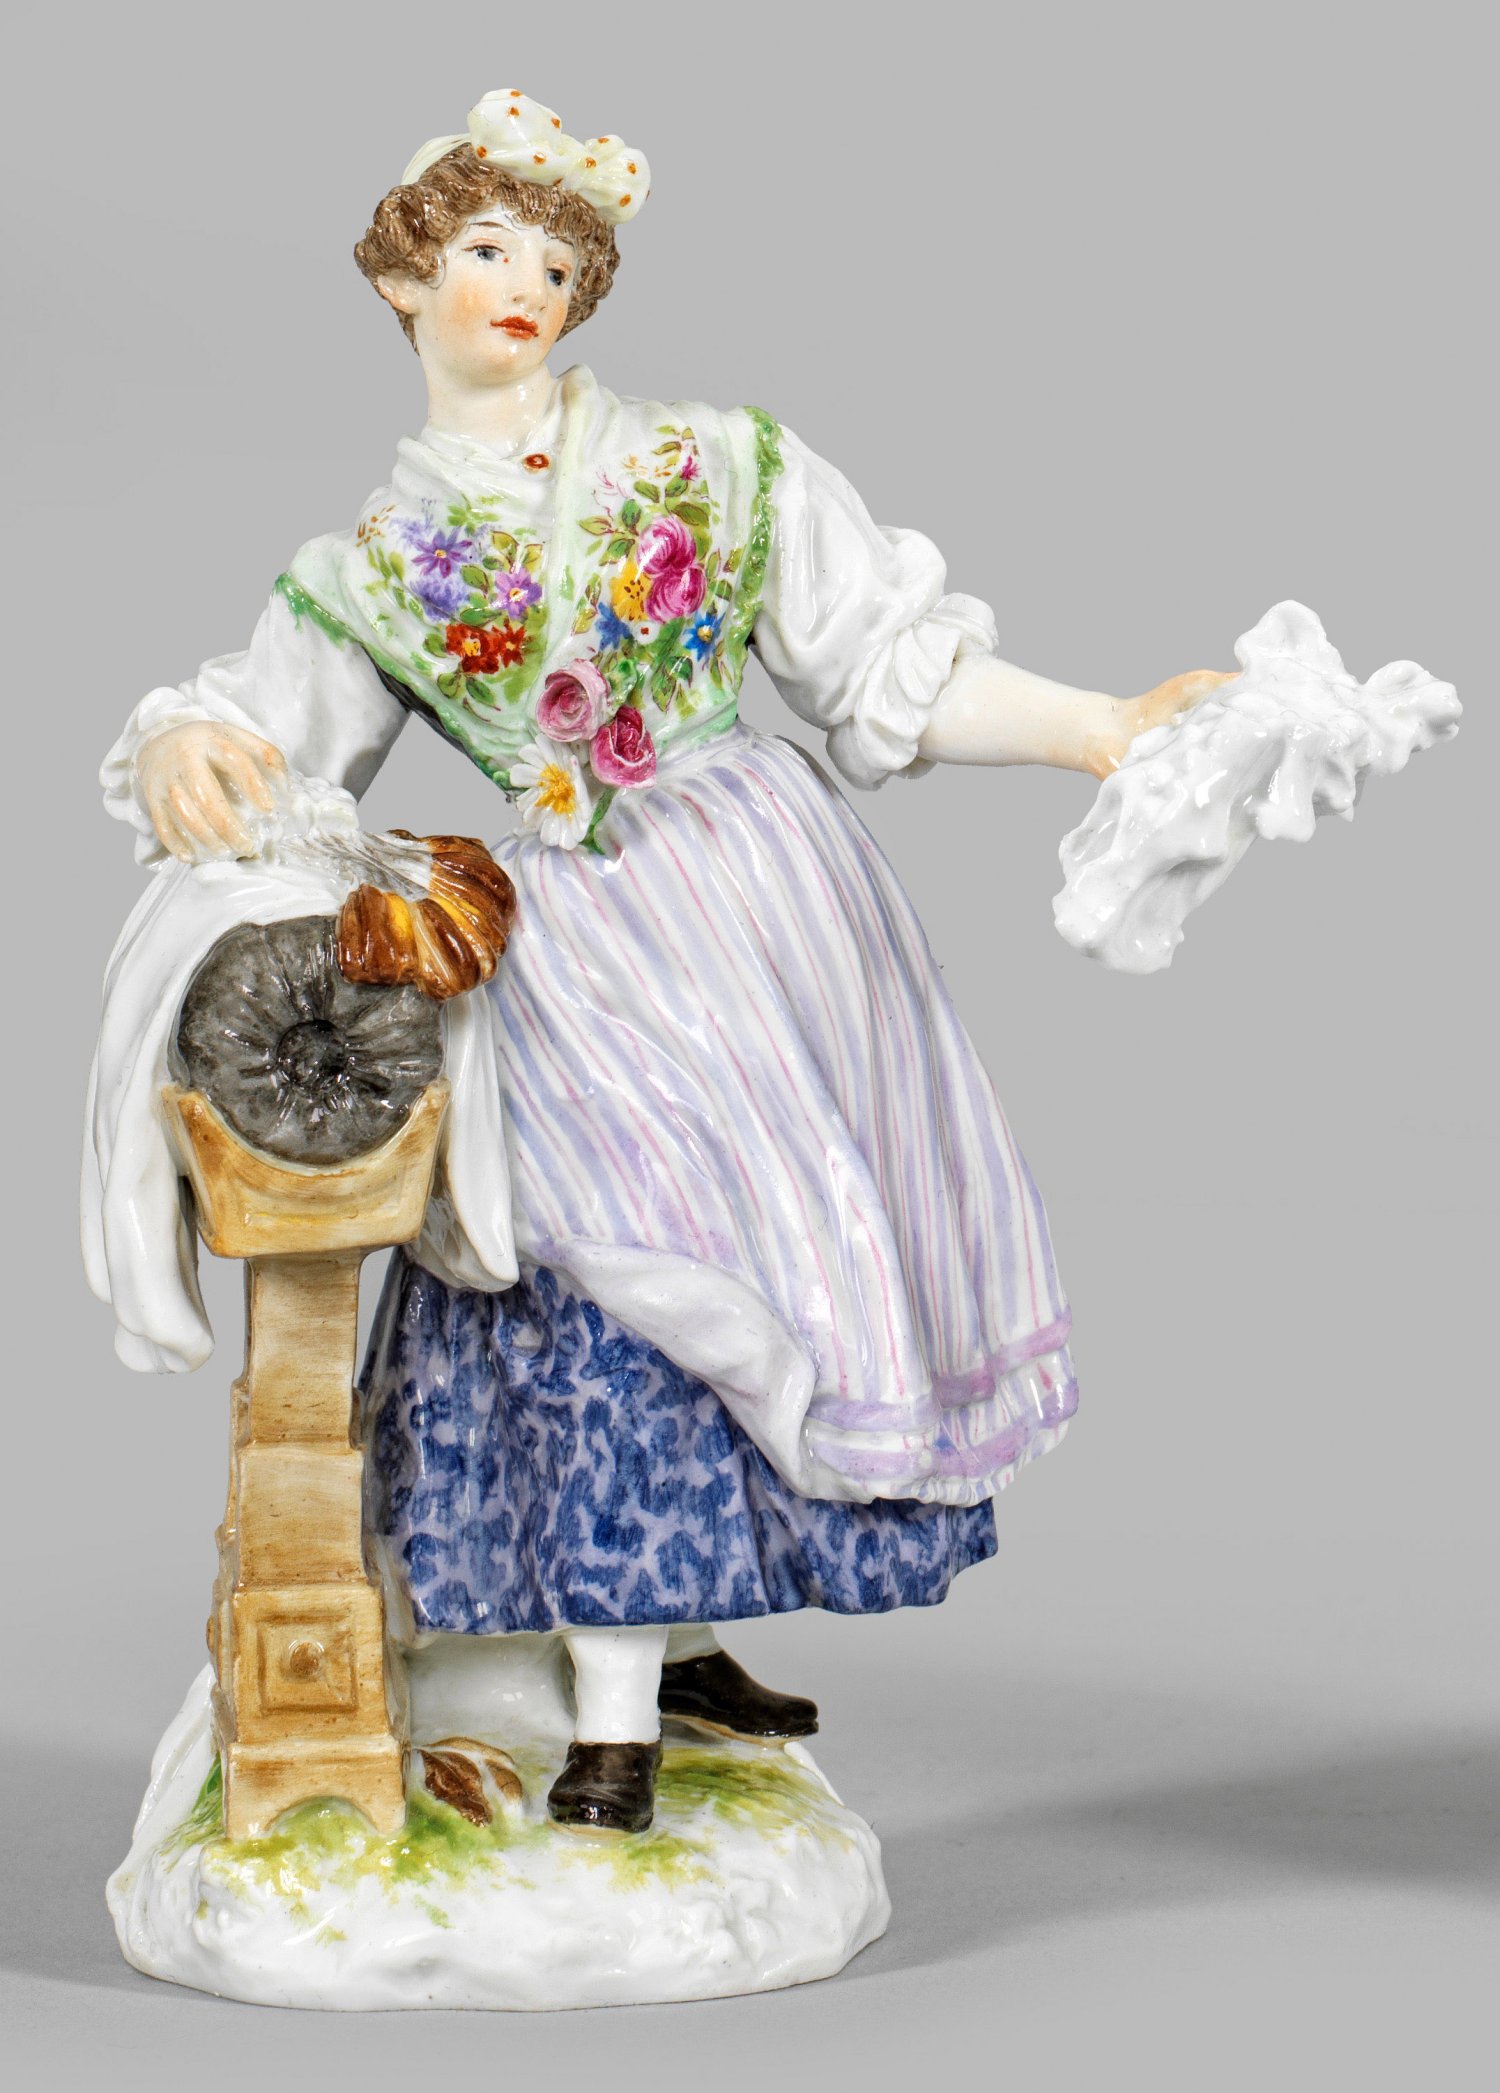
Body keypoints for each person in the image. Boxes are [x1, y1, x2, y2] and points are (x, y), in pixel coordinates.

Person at [103, 91, 1226, 1834]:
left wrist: (1100, 727)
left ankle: (679, 1651)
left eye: (557, 265)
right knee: (611, 1274)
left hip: (763, 915)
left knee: (774, 1256)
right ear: (404, 278)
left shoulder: (709, 460)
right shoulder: (376, 563)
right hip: (577, 944)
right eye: (487, 250)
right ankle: (610, 1715)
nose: (524, 287)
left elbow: (886, 668)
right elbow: (271, 729)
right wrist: (188, 743)